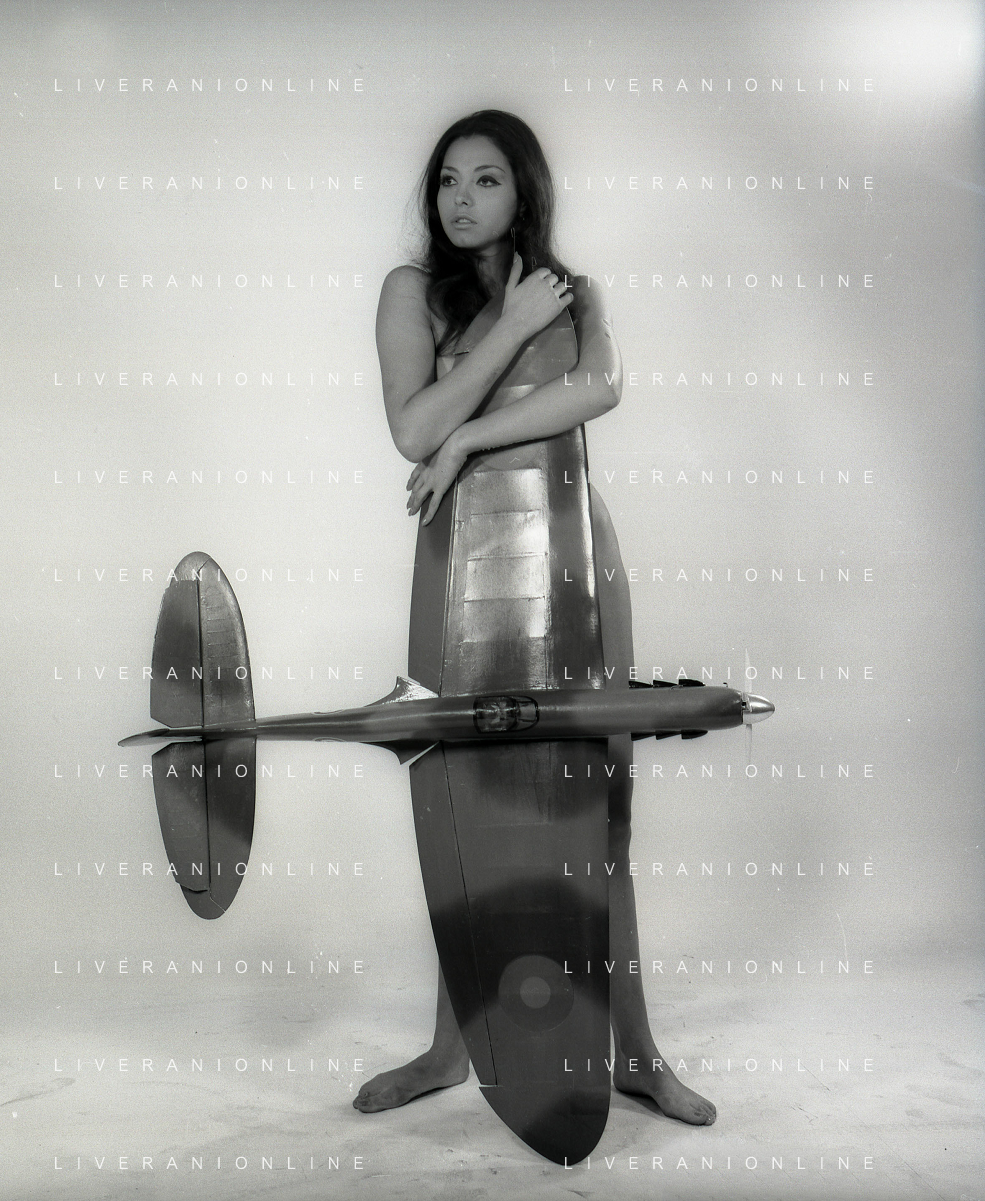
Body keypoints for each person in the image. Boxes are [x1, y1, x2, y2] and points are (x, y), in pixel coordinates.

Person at [354, 110, 715, 1128]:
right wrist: (505, 335)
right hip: (461, 562)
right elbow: (411, 427)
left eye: (486, 180)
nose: (460, 199)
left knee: (600, 811)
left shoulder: (575, 292)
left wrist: (468, 436)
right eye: (447, 180)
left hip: (573, 554)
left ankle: (633, 1051)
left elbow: (598, 388)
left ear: (524, 192)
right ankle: (450, 1046)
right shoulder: (412, 292)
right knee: (460, 795)